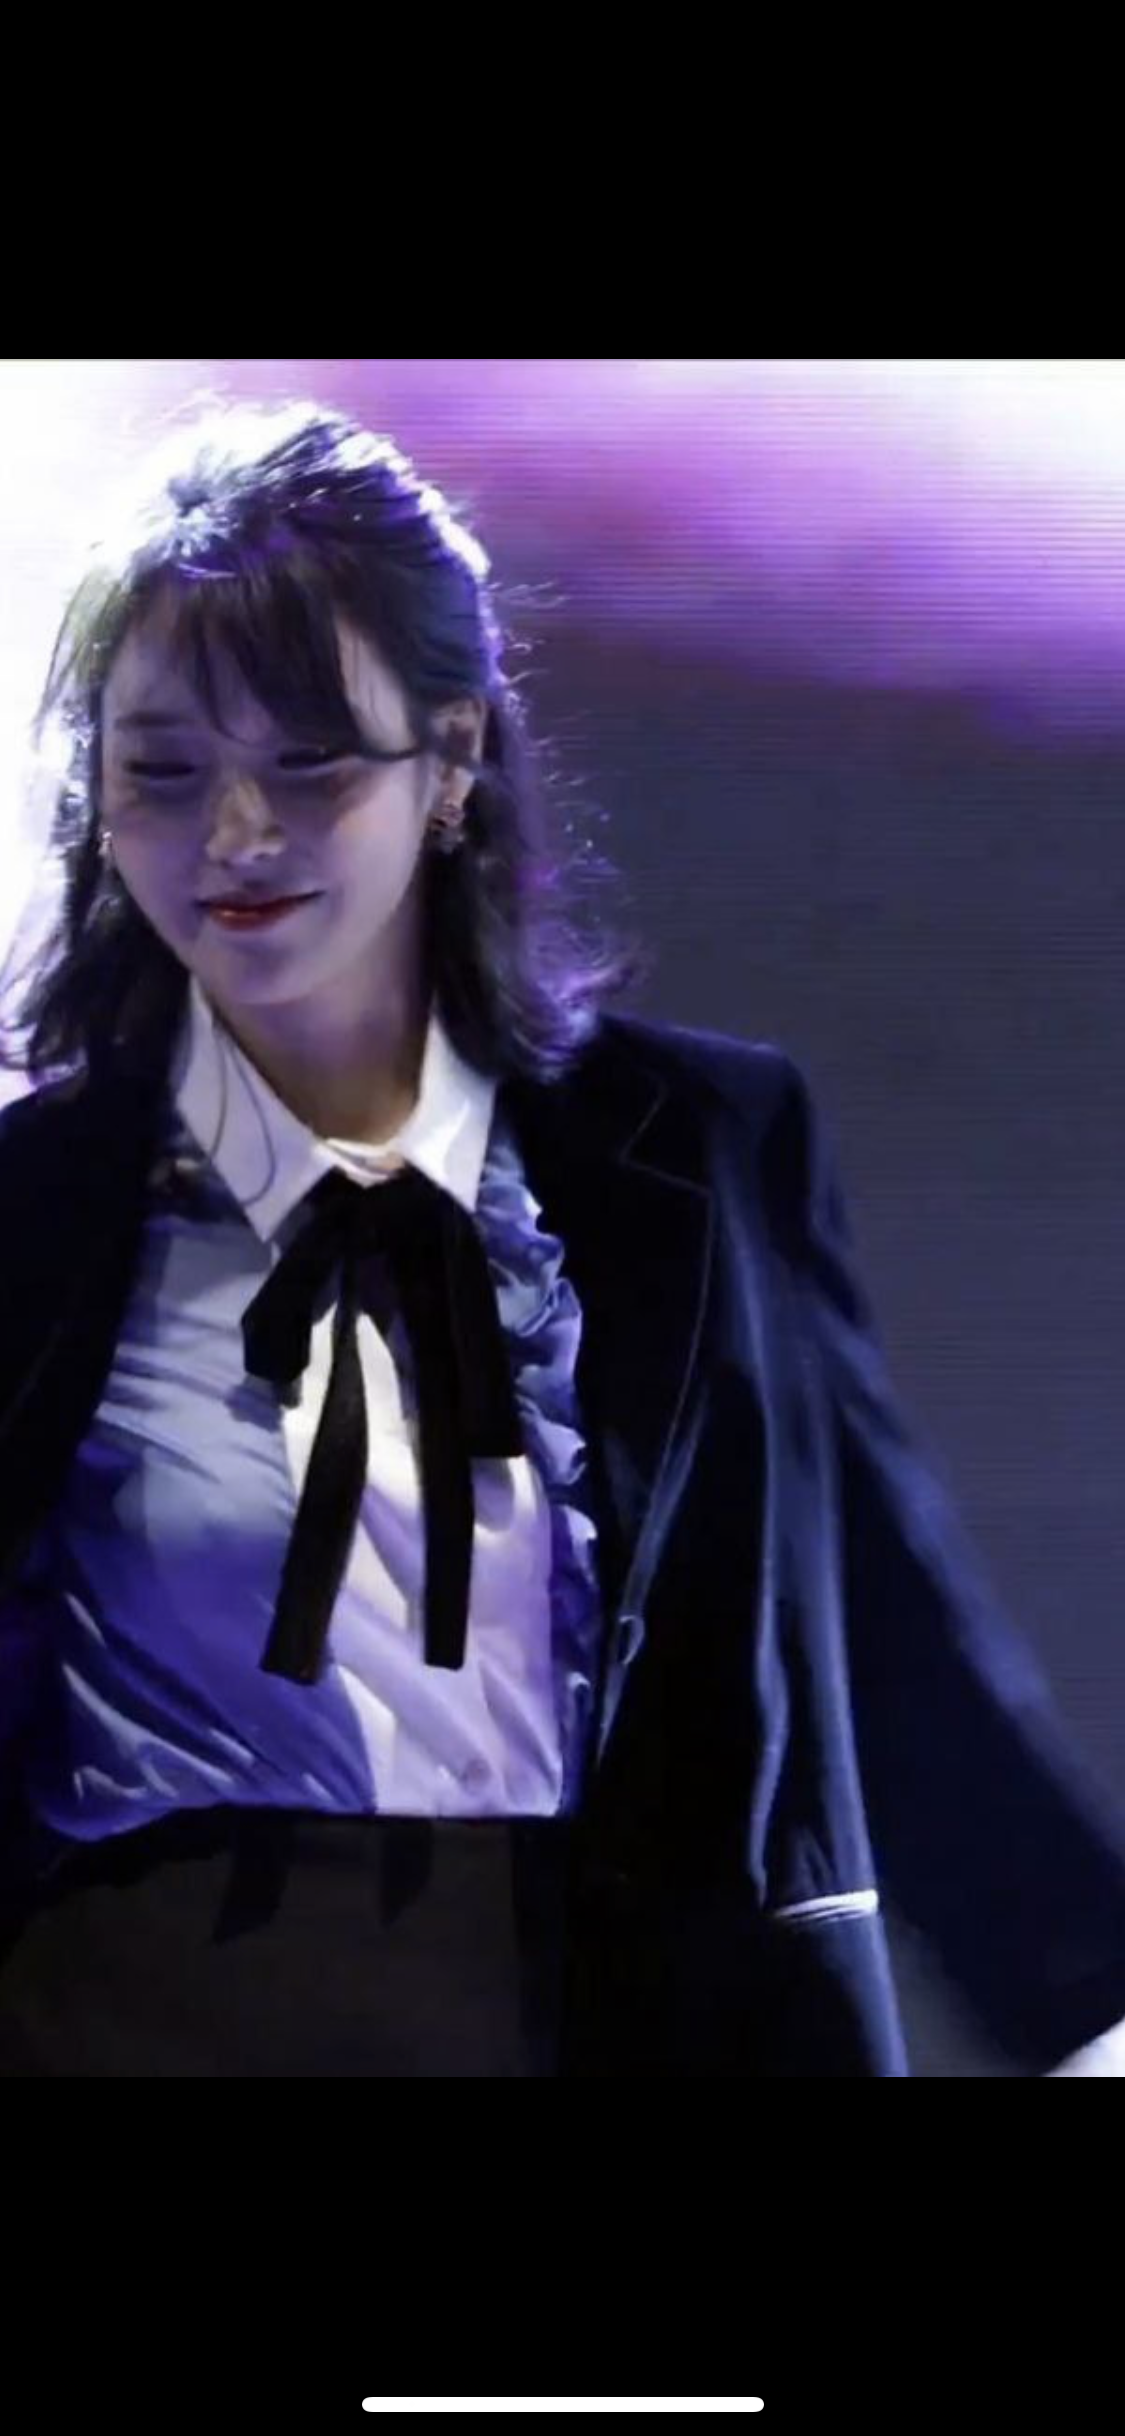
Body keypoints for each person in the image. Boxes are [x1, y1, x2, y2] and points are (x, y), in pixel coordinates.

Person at [0, 395, 1123, 2077]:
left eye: (309, 759)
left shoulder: (697, 1156)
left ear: (451, 759)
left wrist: (1086, 1996)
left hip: (585, 2019)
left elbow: (879, 1633)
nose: (234, 834)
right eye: (165, 770)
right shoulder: (34, 1205)